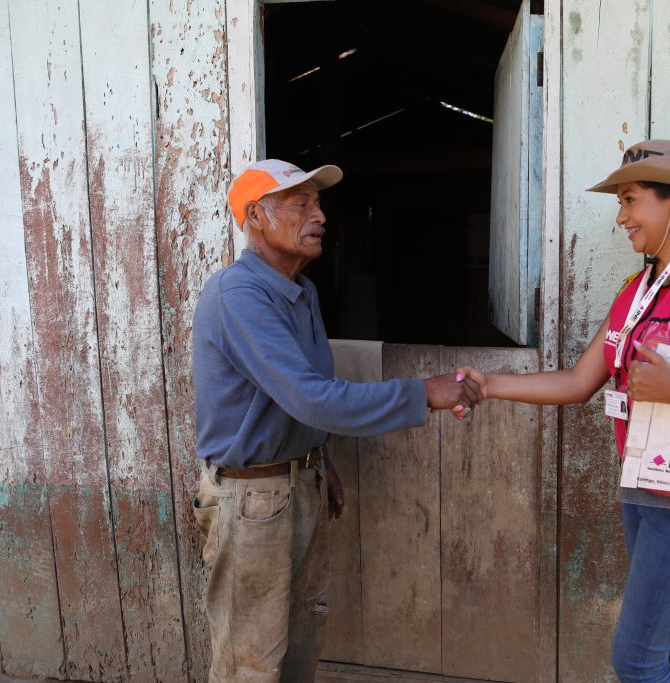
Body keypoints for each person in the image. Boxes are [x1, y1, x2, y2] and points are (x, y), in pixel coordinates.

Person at [459, 140, 670, 683]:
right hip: (643, 493)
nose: (621, 217)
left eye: (631, 199)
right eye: (621, 203)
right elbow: (578, 381)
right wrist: (490, 385)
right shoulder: (637, 290)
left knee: (636, 662)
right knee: (666, 651)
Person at [191, 159, 480, 682]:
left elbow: (296, 396)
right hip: (252, 499)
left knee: (300, 646)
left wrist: (316, 461)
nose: (320, 215)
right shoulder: (239, 295)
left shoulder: (301, 291)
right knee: (248, 665)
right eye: (301, 203)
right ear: (255, 216)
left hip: (295, 485)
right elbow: (311, 397)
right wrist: (423, 393)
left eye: (318, 203)